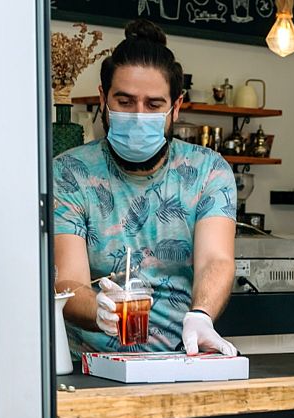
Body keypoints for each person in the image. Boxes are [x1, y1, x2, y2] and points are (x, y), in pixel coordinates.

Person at [54, 19, 237, 357]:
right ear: (103, 99)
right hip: (92, 368)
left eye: (153, 105)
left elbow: (216, 258)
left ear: (176, 108)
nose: (138, 116)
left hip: (184, 357)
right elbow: (69, 281)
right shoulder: (69, 173)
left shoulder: (208, 171)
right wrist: (98, 312)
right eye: (124, 102)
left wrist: (201, 315)